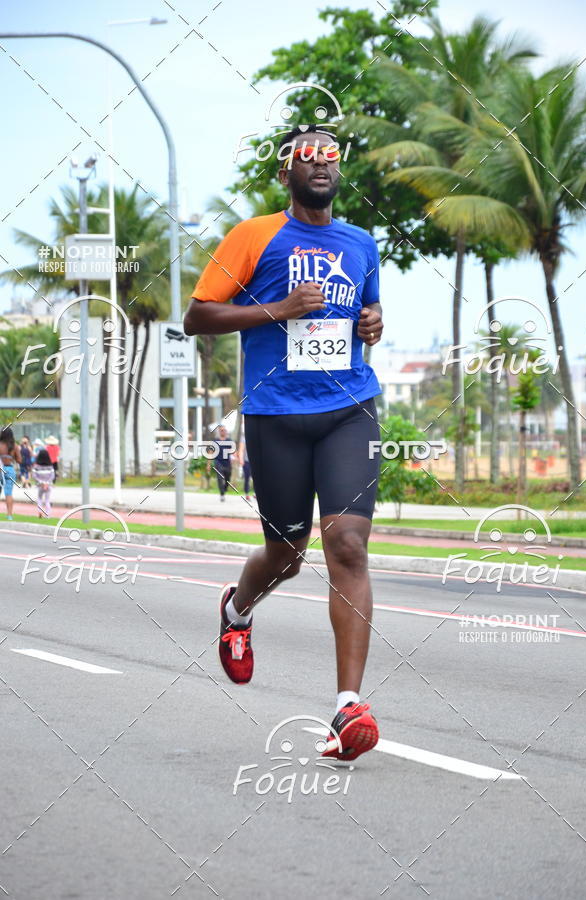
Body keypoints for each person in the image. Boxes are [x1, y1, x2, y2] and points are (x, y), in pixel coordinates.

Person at [184, 124, 384, 761]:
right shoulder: (253, 236)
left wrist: (374, 322)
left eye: (330, 154)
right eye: (307, 153)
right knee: (288, 553)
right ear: (287, 170)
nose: (320, 162)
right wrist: (278, 309)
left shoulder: (360, 243)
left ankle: (346, 707)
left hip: (349, 407)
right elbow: (198, 317)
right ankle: (238, 608)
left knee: (346, 542)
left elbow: (366, 316)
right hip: (274, 414)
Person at [0, 427, 22, 521]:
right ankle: (9, 515)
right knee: (8, 493)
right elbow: (19, 460)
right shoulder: (15, 446)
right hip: (10, 469)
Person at [32, 448, 56, 518]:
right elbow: (52, 476)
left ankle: (40, 511)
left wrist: (41, 482)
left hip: (40, 485)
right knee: (47, 500)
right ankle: (47, 514)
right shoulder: (50, 466)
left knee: (39, 498)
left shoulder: (36, 466)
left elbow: (34, 476)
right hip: (48, 485)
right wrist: (46, 483)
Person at [212, 425, 233, 502]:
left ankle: (224, 489)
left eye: (224, 430)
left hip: (227, 462)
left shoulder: (229, 441)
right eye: (221, 430)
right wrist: (208, 464)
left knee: (228, 478)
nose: (223, 431)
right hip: (218, 462)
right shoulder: (215, 441)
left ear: (226, 431)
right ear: (219, 432)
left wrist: (237, 458)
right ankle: (222, 494)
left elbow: (233, 451)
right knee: (220, 478)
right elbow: (211, 452)